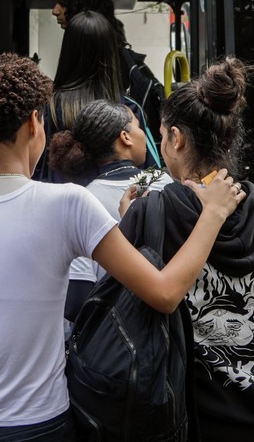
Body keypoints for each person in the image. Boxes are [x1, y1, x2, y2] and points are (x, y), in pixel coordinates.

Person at [0, 53, 245, 442]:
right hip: (39, 424)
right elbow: (164, 293)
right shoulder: (69, 204)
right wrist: (213, 214)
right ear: (32, 123)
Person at [117, 56, 254, 442]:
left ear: (177, 139)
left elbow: (123, 312)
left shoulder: (153, 212)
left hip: (182, 421)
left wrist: (127, 222)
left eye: (162, 135)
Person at [48, 98, 174, 320]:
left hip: (113, 341)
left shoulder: (83, 199)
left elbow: (76, 302)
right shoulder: (164, 183)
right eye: (137, 126)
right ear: (125, 137)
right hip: (171, 324)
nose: (144, 134)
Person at [37, 10, 160, 181]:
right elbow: (151, 173)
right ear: (111, 55)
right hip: (120, 206)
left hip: (59, 206)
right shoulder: (129, 109)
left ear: (67, 53)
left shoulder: (47, 109)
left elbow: (36, 169)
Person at [53, 0, 165, 139]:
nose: (55, 11)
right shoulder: (130, 106)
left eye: (62, 3)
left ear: (80, 8)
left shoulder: (56, 109)